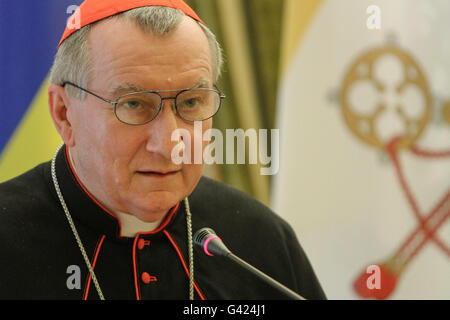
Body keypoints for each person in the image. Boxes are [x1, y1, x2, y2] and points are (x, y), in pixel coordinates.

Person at [0, 0, 325, 300]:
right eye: (134, 104)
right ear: (63, 113)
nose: (170, 143)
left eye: (191, 102)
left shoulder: (257, 239)